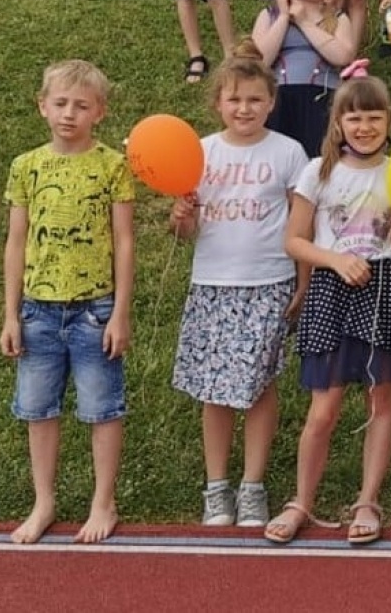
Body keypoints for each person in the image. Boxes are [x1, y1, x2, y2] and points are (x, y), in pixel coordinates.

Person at [265, 76, 391, 546]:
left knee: (381, 400)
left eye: (374, 117)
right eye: (354, 116)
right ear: (338, 123)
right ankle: (301, 501)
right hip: (332, 289)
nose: (364, 125)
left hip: (385, 286)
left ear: (389, 121)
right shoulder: (318, 172)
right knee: (324, 407)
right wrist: (334, 259)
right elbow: (293, 240)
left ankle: (368, 500)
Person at [167, 52, 308, 529]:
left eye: (254, 99)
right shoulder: (200, 152)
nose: (244, 108)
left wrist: (302, 281)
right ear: (218, 103)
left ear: (271, 102)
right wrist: (182, 219)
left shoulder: (288, 152)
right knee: (216, 389)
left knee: (259, 383)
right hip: (212, 282)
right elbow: (183, 230)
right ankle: (216, 487)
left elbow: (300, 224)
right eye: (234, 99)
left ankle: (252, 486)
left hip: (269, 282)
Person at [1, 60, 135, 545]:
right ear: (42, 106)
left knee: (102, 408)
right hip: (38, 310)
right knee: (38, 408)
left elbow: (123, 241)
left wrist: (119, 312)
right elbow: (16, 243)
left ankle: (104, 500)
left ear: (99, 112)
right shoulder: (27, 166)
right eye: (60, 103)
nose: (69, 114)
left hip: (94, 309)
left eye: (81, 106)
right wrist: (11, 314)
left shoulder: (112, 167)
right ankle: (44, 499)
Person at [251, 0, 359, 158]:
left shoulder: (338, 18)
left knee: (316, 163)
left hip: (322, 100)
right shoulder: (269, 15)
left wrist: (303, 22)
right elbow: (258, 61)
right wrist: (283, 17)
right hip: (278, 101)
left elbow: (343, 55)